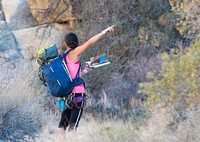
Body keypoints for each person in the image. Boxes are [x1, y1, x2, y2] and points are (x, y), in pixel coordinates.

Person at [57, 25, 115, 141]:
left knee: (62, 126)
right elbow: (89, 42)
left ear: (66, 43)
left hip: (66, 96)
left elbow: (72, 77)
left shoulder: (62, 58)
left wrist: (85, 70)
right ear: (76, 43)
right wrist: (104, 31)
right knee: (73, 127)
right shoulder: (74, 53)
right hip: (77, 95)